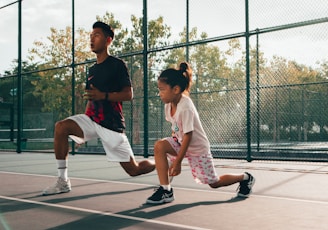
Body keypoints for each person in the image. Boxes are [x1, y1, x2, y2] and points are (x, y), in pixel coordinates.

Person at [42, 21, 155, 195]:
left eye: (96, 35)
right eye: (91, 36)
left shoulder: (117, 65)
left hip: (111, 124)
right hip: (91, 119)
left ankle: (162, 163)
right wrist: (82, 129)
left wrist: (104, 96)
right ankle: (63, 181)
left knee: (134, 169)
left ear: (108, 40)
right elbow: (92, 96)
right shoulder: (92, 69)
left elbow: (128, 94)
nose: (92, 39)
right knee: (61, 127)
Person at [146, 62, 255, 204]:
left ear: (176, 89)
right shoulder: (169, 104)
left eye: (162, 90)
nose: (159, 93)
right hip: (181, 143)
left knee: (214, 183)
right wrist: (172, 149)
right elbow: (176, 128)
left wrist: (177, 161)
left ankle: (246, 178)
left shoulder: (185, 106)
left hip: (197, 149)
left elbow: (188, 136)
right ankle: (166, 190)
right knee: (160, 146)